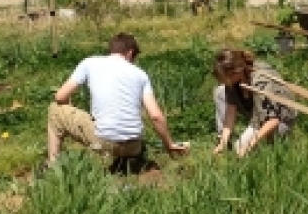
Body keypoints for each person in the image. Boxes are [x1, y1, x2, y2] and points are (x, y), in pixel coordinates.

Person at [47, 32, 190, 170]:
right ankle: (127, 161)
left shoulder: (90, 63)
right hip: (134, 146)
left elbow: (60, 97)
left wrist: (69, 106)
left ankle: (53, 166)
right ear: (130, 53)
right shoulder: (141, 75)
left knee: (55, 109)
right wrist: (169, 144)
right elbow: (156, 116)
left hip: (103, 141)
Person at [211, 49, 295, 156]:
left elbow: (273, 120)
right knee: (239, 149)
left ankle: (278, 139)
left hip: (281, 119)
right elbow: (230, 111)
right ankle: (226, 143)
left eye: (224, 78)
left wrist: (251, 145)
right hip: (257, 118)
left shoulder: (261, 81)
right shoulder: (232, 81)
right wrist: (223, 142)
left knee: (252, 151)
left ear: (236, 71)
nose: (222, 81)